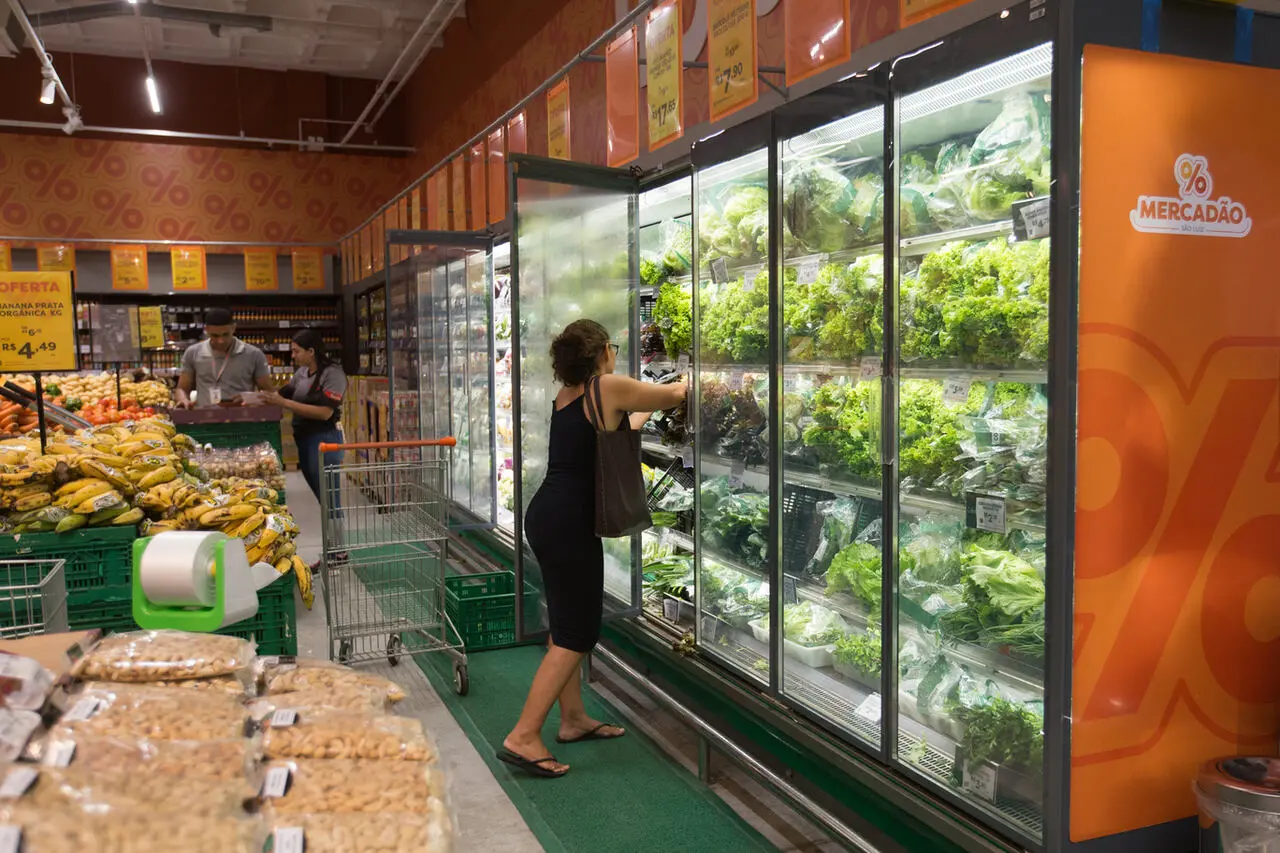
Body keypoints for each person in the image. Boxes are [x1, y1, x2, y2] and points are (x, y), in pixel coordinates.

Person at [499, 319, 686, 779]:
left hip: (549, 516)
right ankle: (523, 735)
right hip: (568, 525)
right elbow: (674, 398)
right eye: (613, 349)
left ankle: (574, 718)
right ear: (603, 351)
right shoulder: (607, 386)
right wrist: (692, 378)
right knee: (577, 634)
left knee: (565, 623)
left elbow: (624, 425)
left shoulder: (571, 396)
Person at [261, 329, 346, 507]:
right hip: (303, 438)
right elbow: (283, 393)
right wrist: (259, 398)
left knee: (330, 500)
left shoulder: (333, 373)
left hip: (324, 438)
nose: (293, 355)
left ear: (311, 351)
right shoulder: (302, 373)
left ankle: (336, 533)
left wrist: (284, 403)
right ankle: (330, 533)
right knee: (321, 496)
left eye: (296, 351)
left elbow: (325, 413)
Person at [176, 308, 274, 408]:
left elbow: (270, 394)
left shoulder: (254, 354)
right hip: (205, 419)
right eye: (215, 335)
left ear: (233, 328)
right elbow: (182, 389)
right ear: (206, 330)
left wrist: (251, 397)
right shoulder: (192, 353)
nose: (221, 341)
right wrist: (183, 400)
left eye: (225, 334)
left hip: (243, 419)